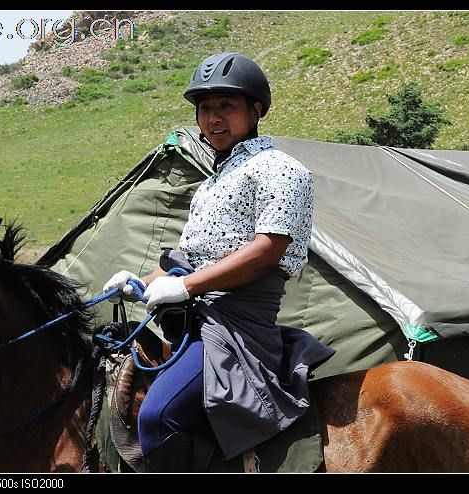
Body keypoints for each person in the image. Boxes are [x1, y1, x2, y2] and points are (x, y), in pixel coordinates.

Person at [102, 52, 334, 472]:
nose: (213, 119)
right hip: (195, 320)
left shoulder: (281, 169)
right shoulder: (213, 182)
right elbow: (190, 257)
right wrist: (140, 283)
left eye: (226, 106)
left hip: (238, 327)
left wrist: (188, 287)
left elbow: (268, 249)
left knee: (157, 417)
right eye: (205, 109)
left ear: (256, 109)